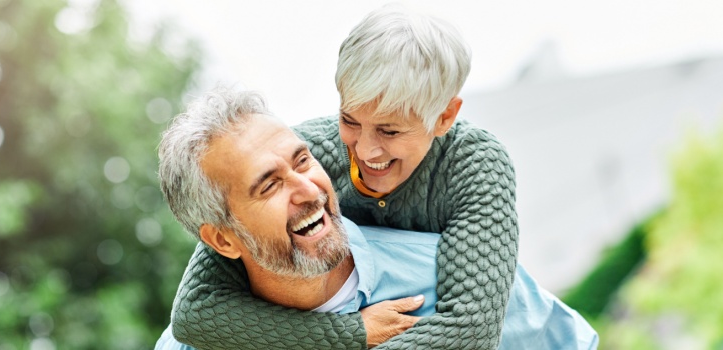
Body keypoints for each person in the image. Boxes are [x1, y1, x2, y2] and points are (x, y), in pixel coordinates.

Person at [172, 5, 522, 349]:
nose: (365, 150)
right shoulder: (305, 156)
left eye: (389, 131)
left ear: (445, 117)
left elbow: (470, 330)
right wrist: (349, 334)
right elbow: (195, 311)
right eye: (350, 120)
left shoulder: (474, 164)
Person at [155, 88, 599, 350]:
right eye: (269, 185)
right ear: (223, 240)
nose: (308, 190)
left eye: (303, 160)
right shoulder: (188, 345)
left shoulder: (453, 278)